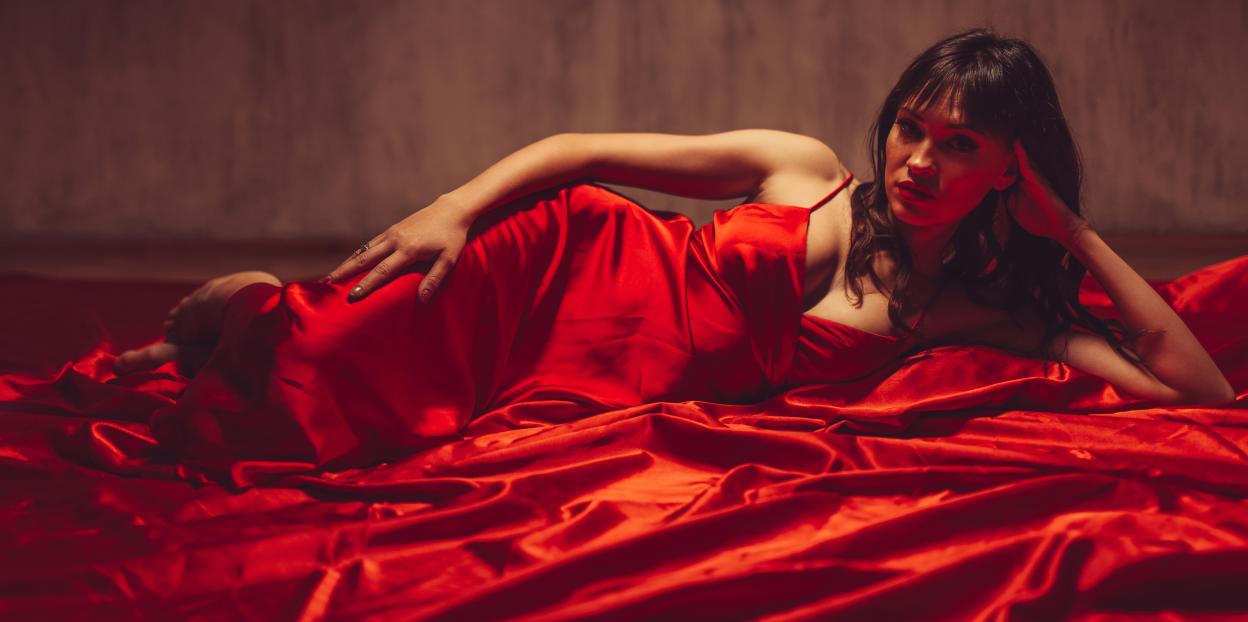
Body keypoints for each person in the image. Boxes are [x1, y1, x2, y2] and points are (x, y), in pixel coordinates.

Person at [112, 28, 1234, 469]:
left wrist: (1071, 229)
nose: (918, 160)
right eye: (910, 126)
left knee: (357, 435)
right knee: (307, 395)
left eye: (961, 146)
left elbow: (1198, 386)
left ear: (1009, 169)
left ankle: (258, 320)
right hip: (562, 265)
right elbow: (580, 152)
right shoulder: (803, 167)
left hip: (600, 384)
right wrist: (452, 207)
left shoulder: (977, 309)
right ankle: (263, 313)